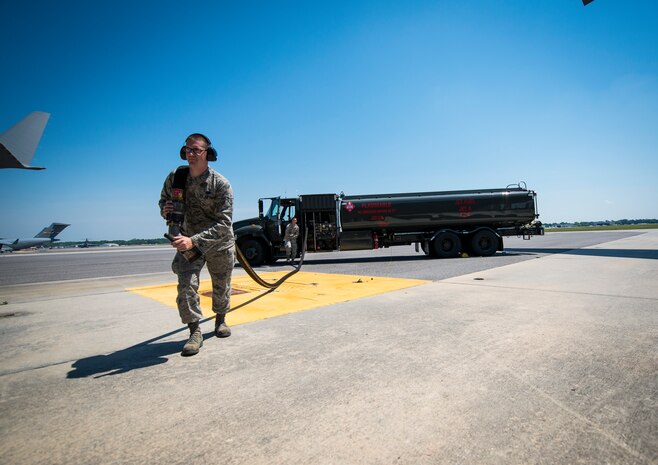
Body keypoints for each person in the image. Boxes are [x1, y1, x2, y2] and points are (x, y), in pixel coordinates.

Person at [159, 133, 234, 356]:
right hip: (188, 241)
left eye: (196, 150)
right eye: (187, 150)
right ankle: (194, 331)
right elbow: (164, 199)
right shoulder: (177, 177)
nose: (190, 154)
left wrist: (194, 240)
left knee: (221, 286)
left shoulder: (220, 184)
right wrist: (165, 209)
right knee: (186, 286)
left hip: (218, 243)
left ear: (207, 154)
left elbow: (224, 223)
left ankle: (220, 320)